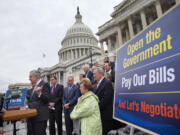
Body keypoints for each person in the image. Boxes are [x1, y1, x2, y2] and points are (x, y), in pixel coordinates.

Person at [26, 70, 50, 135]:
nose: (29, 79)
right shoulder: (34, 87)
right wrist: (26, 107)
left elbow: (46, 100)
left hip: (40, 117)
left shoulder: (44, 84)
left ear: (36, 77)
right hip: (32, 116)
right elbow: (31, 100)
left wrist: (40, 93)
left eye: (30, 77)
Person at [93, 67, 114, 135]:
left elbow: (106, 99)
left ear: (100, 74)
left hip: (105, 115)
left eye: (95, 74)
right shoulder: (96, 85)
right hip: (99, 115)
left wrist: (96, 107)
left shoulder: (107, 83)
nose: (94, 75)